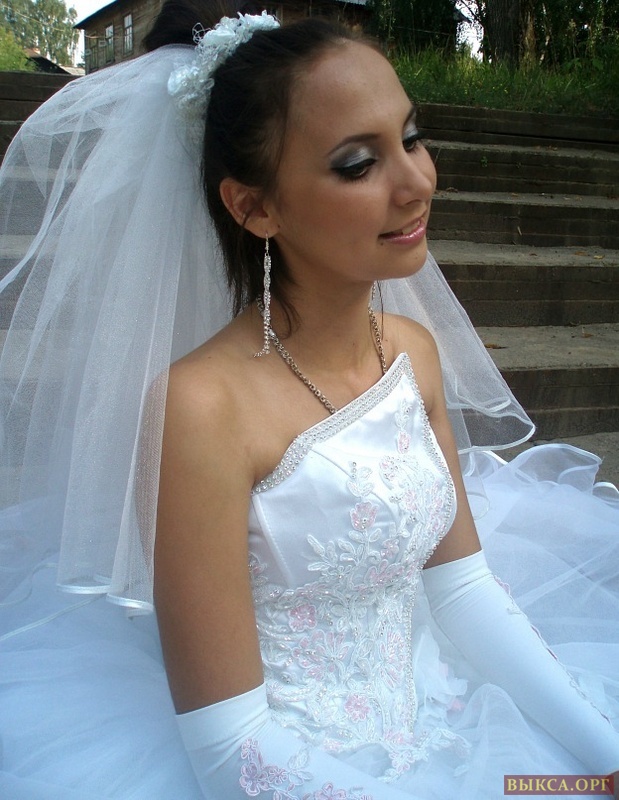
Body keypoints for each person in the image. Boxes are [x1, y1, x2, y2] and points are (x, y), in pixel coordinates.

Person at [0, 3, 617, 798]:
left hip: (449, 718)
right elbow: (232, 749)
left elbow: (461, 589)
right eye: (357, 164)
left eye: (411, 138)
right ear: (253, 206)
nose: (416, 182)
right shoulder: (203, 407)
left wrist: (603, 754)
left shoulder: (412, 353)